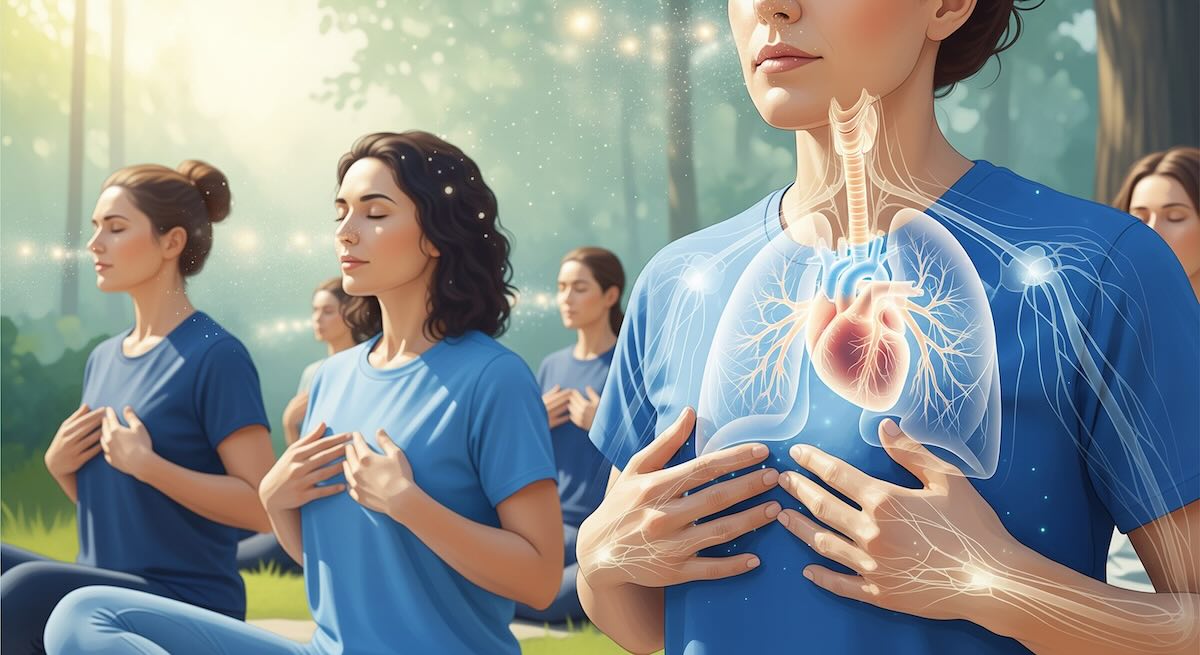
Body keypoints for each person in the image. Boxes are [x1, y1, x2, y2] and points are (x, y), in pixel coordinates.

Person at [576, 2, 1199, 654]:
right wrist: (598, 556)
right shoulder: (679, 282)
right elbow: (646, 625)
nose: (771, 6)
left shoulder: (1098, 272)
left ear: (947, 6)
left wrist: (997, 584)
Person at [44, 131, 564, 655]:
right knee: (85, 615)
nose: (346, 233)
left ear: (436, 234)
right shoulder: (331, 379)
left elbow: (541, 580)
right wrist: (277, 503)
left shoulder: (493, 379)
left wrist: (407, 503)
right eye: (341, 212)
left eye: (374, 214)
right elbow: (329, 566)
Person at [0, 161, 274, 654]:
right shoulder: (104, 357)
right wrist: (61, 469)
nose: (94, 244)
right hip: (101, 582)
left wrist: (148, 465)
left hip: (186, 598)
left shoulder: (216, 354)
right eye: (95, 227)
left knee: (21, 594)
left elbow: (262, 509)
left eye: (116, 227)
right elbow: (127, 510)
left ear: (172, 243)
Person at [1105, 146, 1200, 592]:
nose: (1154, 232)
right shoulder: (1108, 333)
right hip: (1124, 572)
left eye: (1175, 216)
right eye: (1139, 216)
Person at [515, 247, 622, 623]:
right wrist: (534, 422)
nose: (566, 298)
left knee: (547, 599)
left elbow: (652, 451)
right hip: (550, 524)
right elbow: (524, 457)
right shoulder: (551, 366)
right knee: (498, 581)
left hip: (600, 527)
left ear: (610, 295)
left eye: (579, 288)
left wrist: (603, 424)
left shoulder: (624, 367)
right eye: (561, 288)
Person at [237, 277, 369, 575]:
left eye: (327, 311)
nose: (317, 319)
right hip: (302, 497)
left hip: (340, 501)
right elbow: (299, 453)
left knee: (240, 557)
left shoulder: (367, 369)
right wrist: (289, 424)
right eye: (315, 310)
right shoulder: (313, 373)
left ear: (353, 313)